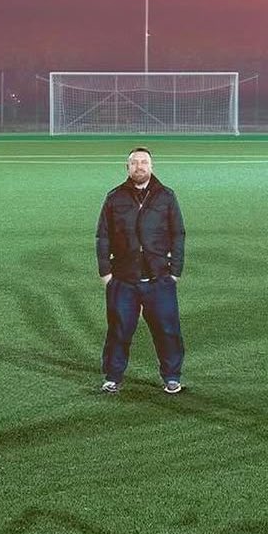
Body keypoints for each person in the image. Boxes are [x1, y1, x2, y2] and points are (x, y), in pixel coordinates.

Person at [95, 146, 185, 394]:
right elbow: (103, 236)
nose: (139, 166)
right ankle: (113, 376)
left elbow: (178, 234)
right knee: (118, 330)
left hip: (160, 279)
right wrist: (106, 273)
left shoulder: (166, 196)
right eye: (134, 163)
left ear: (151, 166)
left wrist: (175, 271)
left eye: (144, 162)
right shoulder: (114, 197)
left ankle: (172, 376)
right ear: (127, 168)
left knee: (167, 330)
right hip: (123, 280)